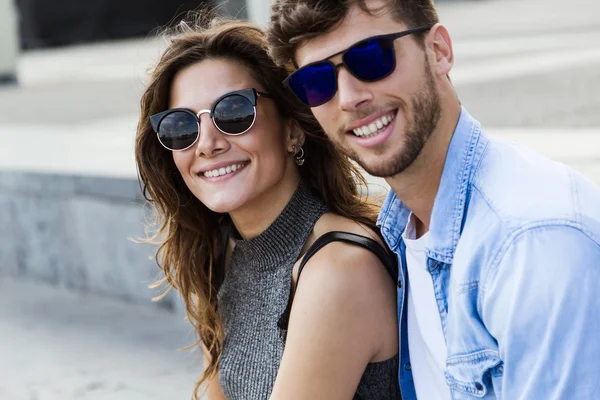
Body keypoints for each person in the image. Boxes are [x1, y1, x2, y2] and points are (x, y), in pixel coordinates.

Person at [267, 1, 600, 399]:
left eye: (372, 57)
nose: (349, 97)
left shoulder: (531, 244)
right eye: (317, 81)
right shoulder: (405, 231)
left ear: (439, 51)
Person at [135, 16, 402, 400]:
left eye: (233, 113)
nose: (207, 144)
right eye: (181, 126)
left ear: (292, 128)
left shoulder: (338, 268)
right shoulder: (228, 249)